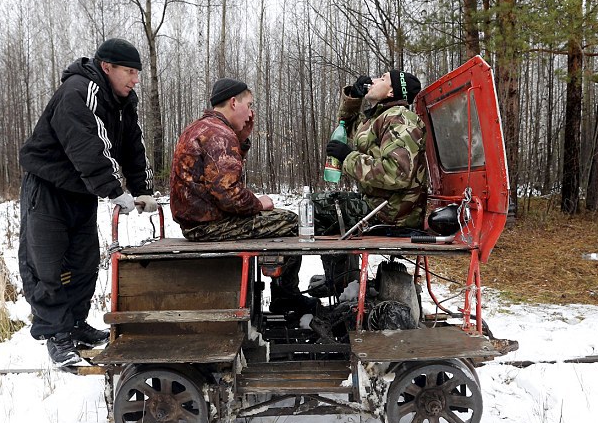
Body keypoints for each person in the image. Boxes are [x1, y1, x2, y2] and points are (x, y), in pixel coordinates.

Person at [18, 37, 158, 368]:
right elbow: (88, 145)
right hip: (48, 188)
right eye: (129, 71)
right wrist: (113, 190)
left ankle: (76, 324)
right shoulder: (79, 92)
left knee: (82, 263)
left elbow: (131, 147)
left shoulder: (123, 102)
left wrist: (141, 189)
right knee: (48, 264)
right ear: (106, 67)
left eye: (137, 73)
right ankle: (56, 334)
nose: (135, 79)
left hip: (80, 191)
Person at [169, 78, 318, 315]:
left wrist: (241, 139)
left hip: (197, 220)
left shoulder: (202, 128)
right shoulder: (219, 135)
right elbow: (228, 194)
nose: (250, 112)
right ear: (233, 102)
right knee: (291, 221)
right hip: (209, 225)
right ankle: (286, 297)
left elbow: (220, 176)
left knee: (278, 219)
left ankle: (278, 290)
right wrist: (259, 203)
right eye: (248, 105)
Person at [325, 70, 428, 229]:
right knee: (317, 207)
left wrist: (347, 157)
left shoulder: (400, 118)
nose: (372, 81)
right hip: (378, 205)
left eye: (382, 78)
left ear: (392, 91)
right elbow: (347, 126)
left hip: (392, 214)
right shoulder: (380, 117)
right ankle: (337, 253)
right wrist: (354, 96)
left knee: (313, 211)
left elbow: (396, 174)